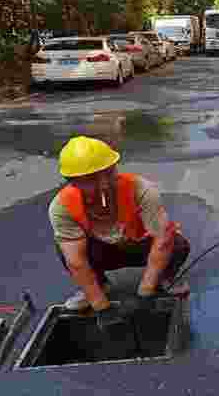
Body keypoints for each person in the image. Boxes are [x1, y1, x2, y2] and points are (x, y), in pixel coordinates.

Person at [49, 136, 191, 329]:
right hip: (101, 252)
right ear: (74, 182)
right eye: (91, 179)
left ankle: (163, 277)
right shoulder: (62, 207)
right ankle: (99, 287)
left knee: (177, 244)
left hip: (141, 246)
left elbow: (162, 239)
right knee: (65, 250)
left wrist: (145, 291)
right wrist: (101, 306)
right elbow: (77, 262)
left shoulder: (141, 189)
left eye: (108, 173)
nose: (104, 184)